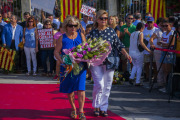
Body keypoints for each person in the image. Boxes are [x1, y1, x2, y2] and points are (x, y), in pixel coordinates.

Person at [87, 10, 131, 117]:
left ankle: (103, 107)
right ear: (97, 19)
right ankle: (96, 105)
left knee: (107, 86)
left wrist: (126, 54)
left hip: (110, 61)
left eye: (105, 18)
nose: (104, 20)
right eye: (101, 18)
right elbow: (86, 47)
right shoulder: (92, 33)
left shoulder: (111, 31)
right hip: (96, 62)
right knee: (99, 84)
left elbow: (119, 44)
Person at [54, 16, 87, 120]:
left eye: (75, 25)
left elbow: (87, 49)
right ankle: (73, 109)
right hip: (68, 67)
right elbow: (56, 51)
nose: (73, 27)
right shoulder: (62, 38)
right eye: (70, 25)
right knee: (70, 89)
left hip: (81, 66)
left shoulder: (81, 35)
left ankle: (81, 111)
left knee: (81, 88)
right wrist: (62, 60)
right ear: (66, 26)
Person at [157, 18, 175, 93]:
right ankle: (165, 85)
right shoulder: (164, 33)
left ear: (170, 25)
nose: (164, 27)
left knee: (168, 70)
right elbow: (159, 43)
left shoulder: (172, 33)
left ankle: (168, 86)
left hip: (169, 53)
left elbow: (171, 44)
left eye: (166, 26)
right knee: (164, 70)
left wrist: (162, 44)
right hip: (163, 52)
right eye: (163, 26)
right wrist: (163, 44)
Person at [150, 17, 165, 86]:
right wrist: (152, 44)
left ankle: (166, 82)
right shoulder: (157, 31)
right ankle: (161, 82)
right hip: (158, 51)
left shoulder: (171, 31)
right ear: (160, 24)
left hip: (167, 52)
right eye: (163, 24)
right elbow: (151, 39)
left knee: (166, 68)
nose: (164, 25)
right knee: (160, 68)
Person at [143, 17, 158, 82]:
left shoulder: (156, 30)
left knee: (155, 64)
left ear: (153, 22)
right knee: (147, 64)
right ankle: (147, 77)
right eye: (148, 22)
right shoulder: (144, 30)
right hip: (146, 50)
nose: (149, 24)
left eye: (151, 22)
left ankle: (155, 77)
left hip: (155, 50)